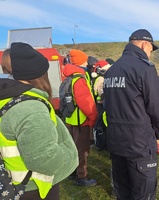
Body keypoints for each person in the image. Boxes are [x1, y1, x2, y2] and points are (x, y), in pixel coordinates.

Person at [0, 42, 78, 199]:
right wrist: (71, 155)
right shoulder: (31, 109)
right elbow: (44, 160)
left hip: (12, 185)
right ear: (41, 75)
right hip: (32, 188)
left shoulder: (7, 98)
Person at [103, 29, 159, 200]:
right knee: (143, 192)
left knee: (122, 190)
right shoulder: (144, 69)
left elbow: (107, 105)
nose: (150, 55)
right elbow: (157, 109)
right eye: (151, 50)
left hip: (116, 141)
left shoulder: (111, 70)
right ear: (145, 44)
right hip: (139, 143)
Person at [62, 49, 98, 186]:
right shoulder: (79, 79)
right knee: (82, 150)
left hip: (71, 119)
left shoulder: (69, 77)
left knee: (72, 147)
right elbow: (86, 103)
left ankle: (71, 171)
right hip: (81, 121)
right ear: (81, 61)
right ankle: (81, 176)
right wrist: (94, 117)